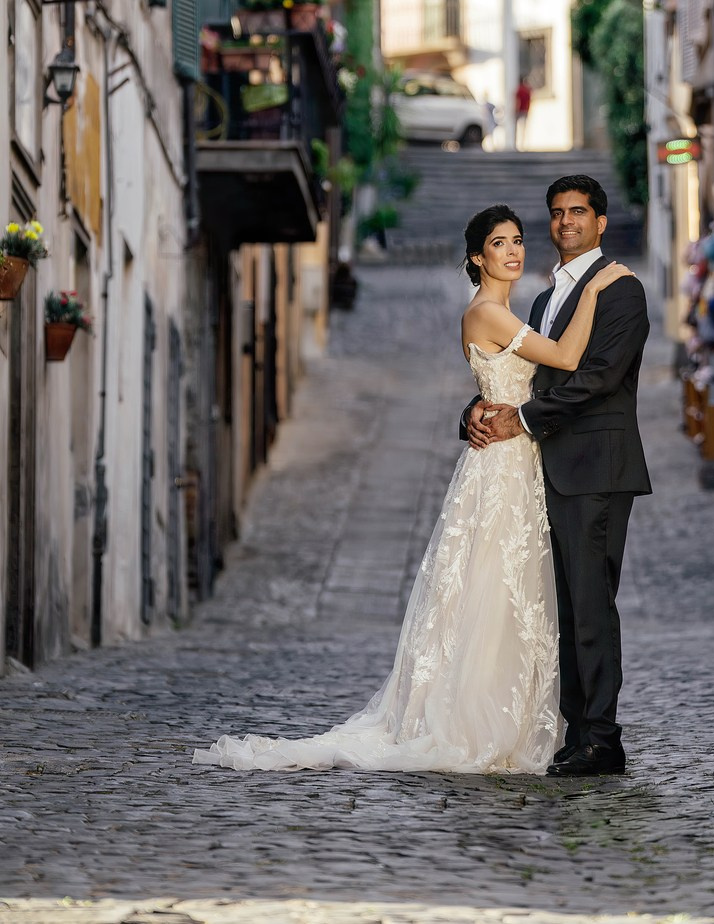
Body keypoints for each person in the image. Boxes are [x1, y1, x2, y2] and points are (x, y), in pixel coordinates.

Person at [192, 204, 631, 775]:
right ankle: (484, 722)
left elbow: (511, 387)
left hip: (513, 463)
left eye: (519, 240)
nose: (515, 251)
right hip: (502, 471)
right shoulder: (488, 314)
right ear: (478, 257)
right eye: (501, 243)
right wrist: (598, 286)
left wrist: (477, 408)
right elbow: (568, 359)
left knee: (509, 595)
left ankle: (523, 719)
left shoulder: (504, 312)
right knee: (496, 592)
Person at [464, 174, 651, 778]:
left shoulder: (621, 289)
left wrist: (519, 419)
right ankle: (575, 733)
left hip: (597, 468)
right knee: (564, 607)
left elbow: (595, 379)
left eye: (579, 212)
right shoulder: (543, 301)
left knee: (592, 603)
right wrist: (474, 412)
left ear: (600, 222)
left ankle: (602, 738)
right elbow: (523, 375)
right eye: (557, 212)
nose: (566, 221)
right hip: (543, 473)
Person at [514, 75, 533, 150]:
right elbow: (529, 100)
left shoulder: (519, 89)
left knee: (517, 128)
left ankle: (517, 144)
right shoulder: (527, 90)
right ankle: (524, 144)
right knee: (524, 127)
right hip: (525, 110)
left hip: (519, 110)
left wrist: (515, 110)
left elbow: (517, 101)